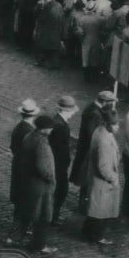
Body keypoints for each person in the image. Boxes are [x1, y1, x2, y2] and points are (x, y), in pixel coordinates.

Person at [8, 114, 58, 253]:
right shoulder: (42, 143)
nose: (51, 130)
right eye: (50, 128)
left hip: (28, 182)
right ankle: (39, 245)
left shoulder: (29, 136)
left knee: (26, 212)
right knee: (43, 217)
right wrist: (51, 179)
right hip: (40, 186)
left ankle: (13, 238)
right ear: (45, 129)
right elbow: (43, 168)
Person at [69, 90, 116, 214]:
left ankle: (85, 204)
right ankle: (84, 206)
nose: (111, 104)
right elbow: (92, 134)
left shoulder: (93, 108)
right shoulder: (94, 114)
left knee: (87, 178)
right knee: (87, 179)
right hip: (89, 151)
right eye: (110, 102)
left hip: (87, 149)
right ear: (104, 101)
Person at [82, 108, 121, 246]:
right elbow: (103, 166)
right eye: (114, 124)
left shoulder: (100, 131)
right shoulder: (104, 140)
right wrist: (113, 179)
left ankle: (87, 230)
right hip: (103, 182)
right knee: (101, 211)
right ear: (106, 124)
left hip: (95, 179)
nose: (117, 127)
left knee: (96, 208)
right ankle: (96, 236)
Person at [48, 95, 77, 225]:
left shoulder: (58, 121)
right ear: (66, 110)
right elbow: (58, 148)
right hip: (58, 165)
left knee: (59, 191)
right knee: (60, 191)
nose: (73, 113)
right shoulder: (59, 125)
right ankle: (53, 217)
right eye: (71, 111)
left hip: (58, 164)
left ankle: (54, 215)